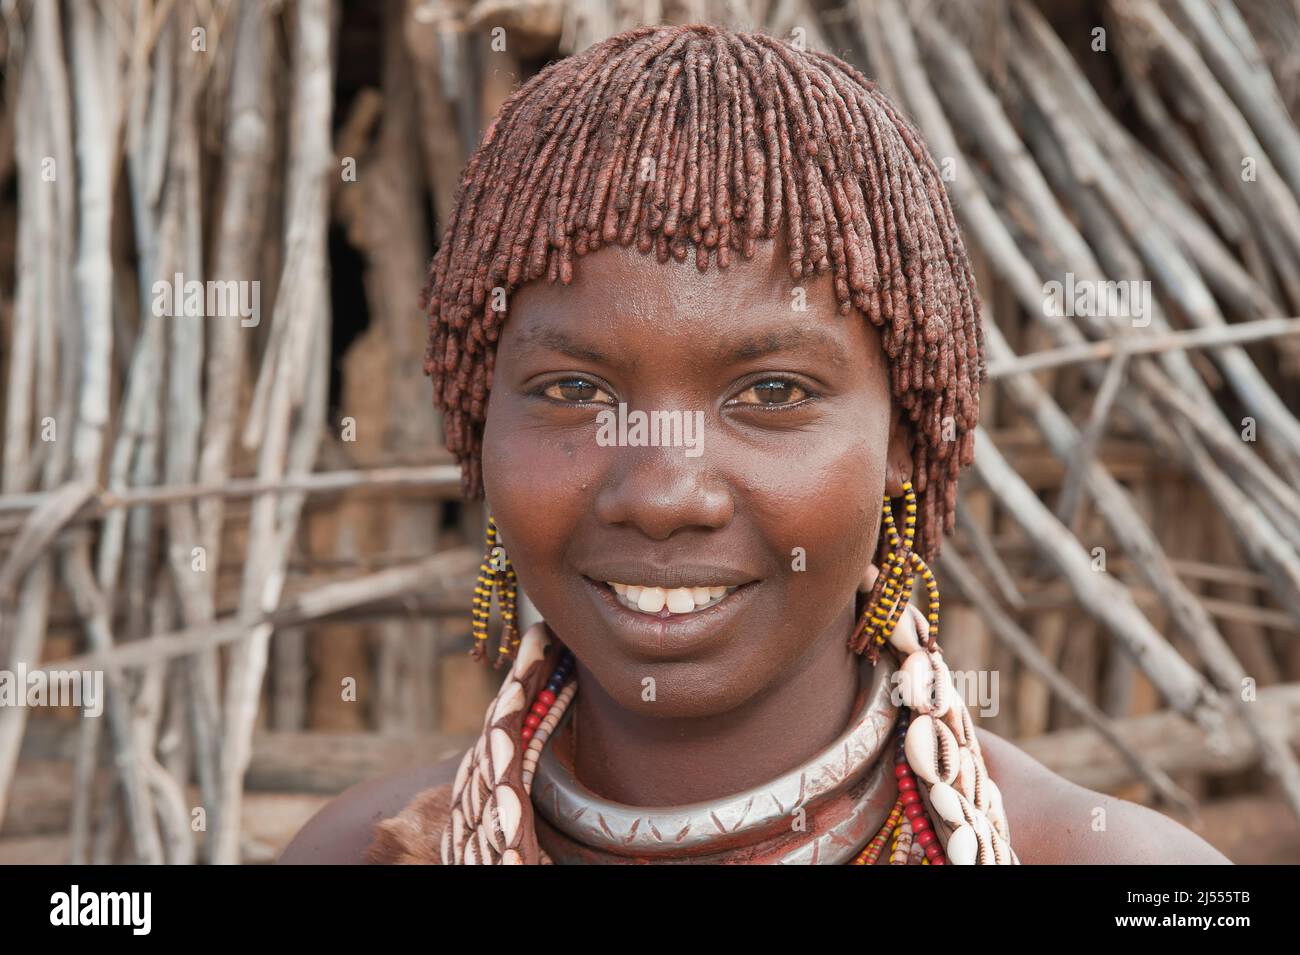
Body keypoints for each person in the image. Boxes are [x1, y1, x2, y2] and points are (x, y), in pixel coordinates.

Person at [281, 23, 1228, 865]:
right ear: (476, 422)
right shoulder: (358, 852)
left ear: (907, 433)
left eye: (771, 391)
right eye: (574, 390)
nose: (661, 491)